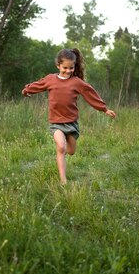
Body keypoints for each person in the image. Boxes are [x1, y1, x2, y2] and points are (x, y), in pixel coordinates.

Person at [22, 48, 116, 185]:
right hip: (56, 123)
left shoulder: (76, 82)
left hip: (71, 123)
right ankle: (63, 181)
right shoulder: (51, 79)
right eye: (64, 68)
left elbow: (90, 94)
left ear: (74, 66)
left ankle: (63, 155)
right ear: (58, 65)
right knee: (61, 147)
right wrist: (26, 90)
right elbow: (38, 85)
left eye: (71, 68)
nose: (68, 71)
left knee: (71, 151)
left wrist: (104, 109)